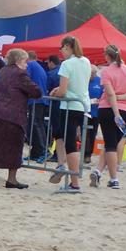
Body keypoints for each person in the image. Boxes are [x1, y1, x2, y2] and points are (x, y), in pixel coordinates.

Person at [0, 49, 42, 188]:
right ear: (18, 61)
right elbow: (36, 91)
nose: (27, 64)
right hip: (9, 115)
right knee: (14, 145)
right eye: (25, 61)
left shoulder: (3, 71)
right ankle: (12, 179)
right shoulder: (20, 73)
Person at [91, 44, 126, 189]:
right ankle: (99, 171)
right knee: (112, 143)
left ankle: (113, 178)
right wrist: (122, 98)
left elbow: (110, 94)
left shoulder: (106, 71)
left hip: (108, 109)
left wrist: (116, 109)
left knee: (110, 144)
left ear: (107, 56)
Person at [47, 35, 91, 193]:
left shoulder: (66, 64)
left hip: (69, 106)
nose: (61, 51)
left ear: (67, 47)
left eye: (62, 48)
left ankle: (74, 182)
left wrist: (55, 92)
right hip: (81, 105)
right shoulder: (86, 61)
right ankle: (61, 165)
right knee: (60, 135)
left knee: (70, 144)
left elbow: (63, 90)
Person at [26, 52, 50, 161]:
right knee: (36, 124)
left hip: (35, 99)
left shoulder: (30, 65)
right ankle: (35, 152)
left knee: (35, 125)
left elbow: (25, 79)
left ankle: (44, 150)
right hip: (41, 99)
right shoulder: (39, 67)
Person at [84, 65, 103, 165]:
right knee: (84, 133)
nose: (92, 75)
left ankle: (88, 154)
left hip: (96, 112)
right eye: (91, 73)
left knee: (92, 134)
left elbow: (103, 94)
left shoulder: (99, 81)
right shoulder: (83, 80)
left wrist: (100, 100)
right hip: (84, 111)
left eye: (94, 73)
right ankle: (84, 153)